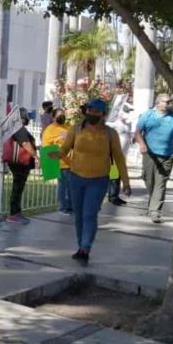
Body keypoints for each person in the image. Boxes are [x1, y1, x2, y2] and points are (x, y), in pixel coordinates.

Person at [57, 98, 131, 265]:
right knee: (79, 216)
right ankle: (80, 246)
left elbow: (119, 158)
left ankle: (85, 247)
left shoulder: (110, 134)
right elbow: (65, 148)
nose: (91, 113)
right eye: (89, 110)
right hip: (75, 178)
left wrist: (125, 182)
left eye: (95, 111)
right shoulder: (76, 129)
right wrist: (56, 154)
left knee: (89, 214)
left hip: (98, 180)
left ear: (103, 114)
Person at [135, 94, 173, 223]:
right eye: (165, 102)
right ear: (157, 102)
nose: (168, 104)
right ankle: (152, 204)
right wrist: (142, 144)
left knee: (160, 183)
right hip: (149, 154)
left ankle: (155, 211)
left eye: (170, 102)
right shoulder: (148, 115)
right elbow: (138, 132)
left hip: (167, 155)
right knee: (149, 180)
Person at [5, 108, 37, 224]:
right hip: (20, 163)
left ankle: (16, 212)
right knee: (17, 188)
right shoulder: (18, 129)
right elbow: (25, 143)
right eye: (25, 116)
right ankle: (14, 214)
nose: (27, 118)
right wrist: (35, 156)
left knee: (18, 188)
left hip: (19, 163)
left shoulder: (16, 128)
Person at [42, 108, 72, 214]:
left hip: (71, 162)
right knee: (63, 185)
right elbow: (46, 145)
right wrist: (60, 138)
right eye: (59, 116)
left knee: (71, 186)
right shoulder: (50, 129)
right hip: (60, 162)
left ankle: (70, 207)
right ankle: (63, 207)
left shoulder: (68, 126)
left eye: (63, 115)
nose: (62, 117)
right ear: (54, 117)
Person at [106, 99, 134, 206]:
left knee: (117, 176)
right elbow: (105, 125)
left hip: (122, 155)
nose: (128, 114)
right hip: (114, 155)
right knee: (114, 176)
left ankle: (115, 195)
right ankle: (112, 196)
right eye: (126, 111)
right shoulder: (115, 124)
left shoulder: (128, 124)